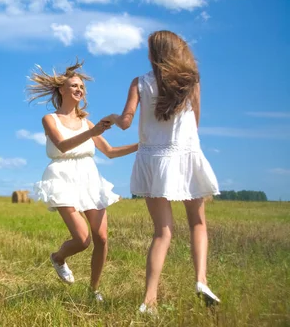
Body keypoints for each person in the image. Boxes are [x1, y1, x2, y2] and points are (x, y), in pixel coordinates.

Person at [105, 30, 220, 313]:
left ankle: (149, 300)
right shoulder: (191, 81)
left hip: (153, 159)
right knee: (197, 222)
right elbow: (196, 122)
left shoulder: (139, 83)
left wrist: (113, 118)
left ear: (153, 54)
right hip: (185, 154)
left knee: (162, 232)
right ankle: (201, 280)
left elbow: (126, 122)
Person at [27, 61, 138, 302]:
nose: (79, 89)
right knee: (82, 239)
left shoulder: (87, 122)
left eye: (81, 87)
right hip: (62, 177)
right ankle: (58, 257)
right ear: (61, 90)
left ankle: (93, 290)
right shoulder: (50, 119)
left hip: (89, 178)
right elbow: (63, 146)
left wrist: (143, 145)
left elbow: (110, 152)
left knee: (102, 238)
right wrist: (93, 132)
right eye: (74, 86)